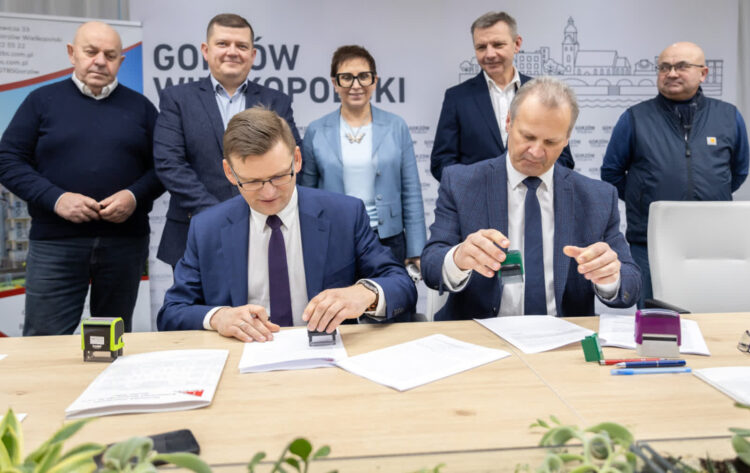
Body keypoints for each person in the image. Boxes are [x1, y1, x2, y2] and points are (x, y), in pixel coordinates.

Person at [157, 108, 416, 341]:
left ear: (297, 160)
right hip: (243, 359)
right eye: (253, 181)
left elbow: (401, 285)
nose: (269, 192)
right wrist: (218, 317)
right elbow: (172, 311)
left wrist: (365, 294)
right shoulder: (207, 228)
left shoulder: (345, 215)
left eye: (280, 176)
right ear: (229, 173)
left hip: (326, 358)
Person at [421, 77, 640, 320]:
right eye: (527, 137)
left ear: (566, 139)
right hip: (480, 330)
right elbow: (431, 265)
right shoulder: (461, 184)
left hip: (563, 334)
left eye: (550, 142)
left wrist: (610, 277)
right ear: (508, 122)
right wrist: (458, 258)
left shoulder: (597, 197)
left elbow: (630, 284)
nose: (536, 152)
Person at [0, 22, 163, 335]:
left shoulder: (141, 108)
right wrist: (57, 199)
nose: (100, 61)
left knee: (111, 341)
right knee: (44, 342)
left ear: (120, 61)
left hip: (124, 244)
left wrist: (133, 196)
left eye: (110, 55)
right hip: (55, 244)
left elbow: (164, 168)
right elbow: (7, 160)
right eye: (91, 52)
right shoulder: (40, 101)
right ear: (72, 53)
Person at [601, 41, 749, 307]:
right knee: (655, 321)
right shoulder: (635, 118)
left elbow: (738, 171)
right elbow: (611, 173)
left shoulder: (728, 116)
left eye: (681, 66)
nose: (671, 73)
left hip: (713, 241)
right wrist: (642, 197)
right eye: (664, 67)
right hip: (650, 241)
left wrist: (712, 192)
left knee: (715, 316)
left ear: (703, 73)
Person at [153, 13, 302, 268]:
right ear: (206, 50)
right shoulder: (177, 99)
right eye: (223, 44)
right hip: (194, 230)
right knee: (197, 297)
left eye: (241, 46)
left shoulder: (277, 101)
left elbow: (292, 159)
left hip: (265, 229)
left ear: (252, 55)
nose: (232, 52)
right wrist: (217, 214)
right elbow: (170, 163)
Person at [300, 45, 426, 268]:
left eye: (364, 76)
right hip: (334, 238)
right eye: (347, 78)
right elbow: (307, 196)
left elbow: (411, 191)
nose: (356, 85)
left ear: (375, 81)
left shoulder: (396, 126)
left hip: (388, 240)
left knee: (390, 291)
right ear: (335, 83)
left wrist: (416, 249)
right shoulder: (316, 130)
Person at [430, 11, 574, 182]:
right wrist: (477, 186)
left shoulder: (543, 94)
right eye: (481, 47)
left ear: (517, 44)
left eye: (498, 45)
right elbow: (441, 163)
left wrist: (532, 181)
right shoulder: (457, 98)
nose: (489, 54)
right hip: (477, 197)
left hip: (533, 197)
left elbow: (563, 159)